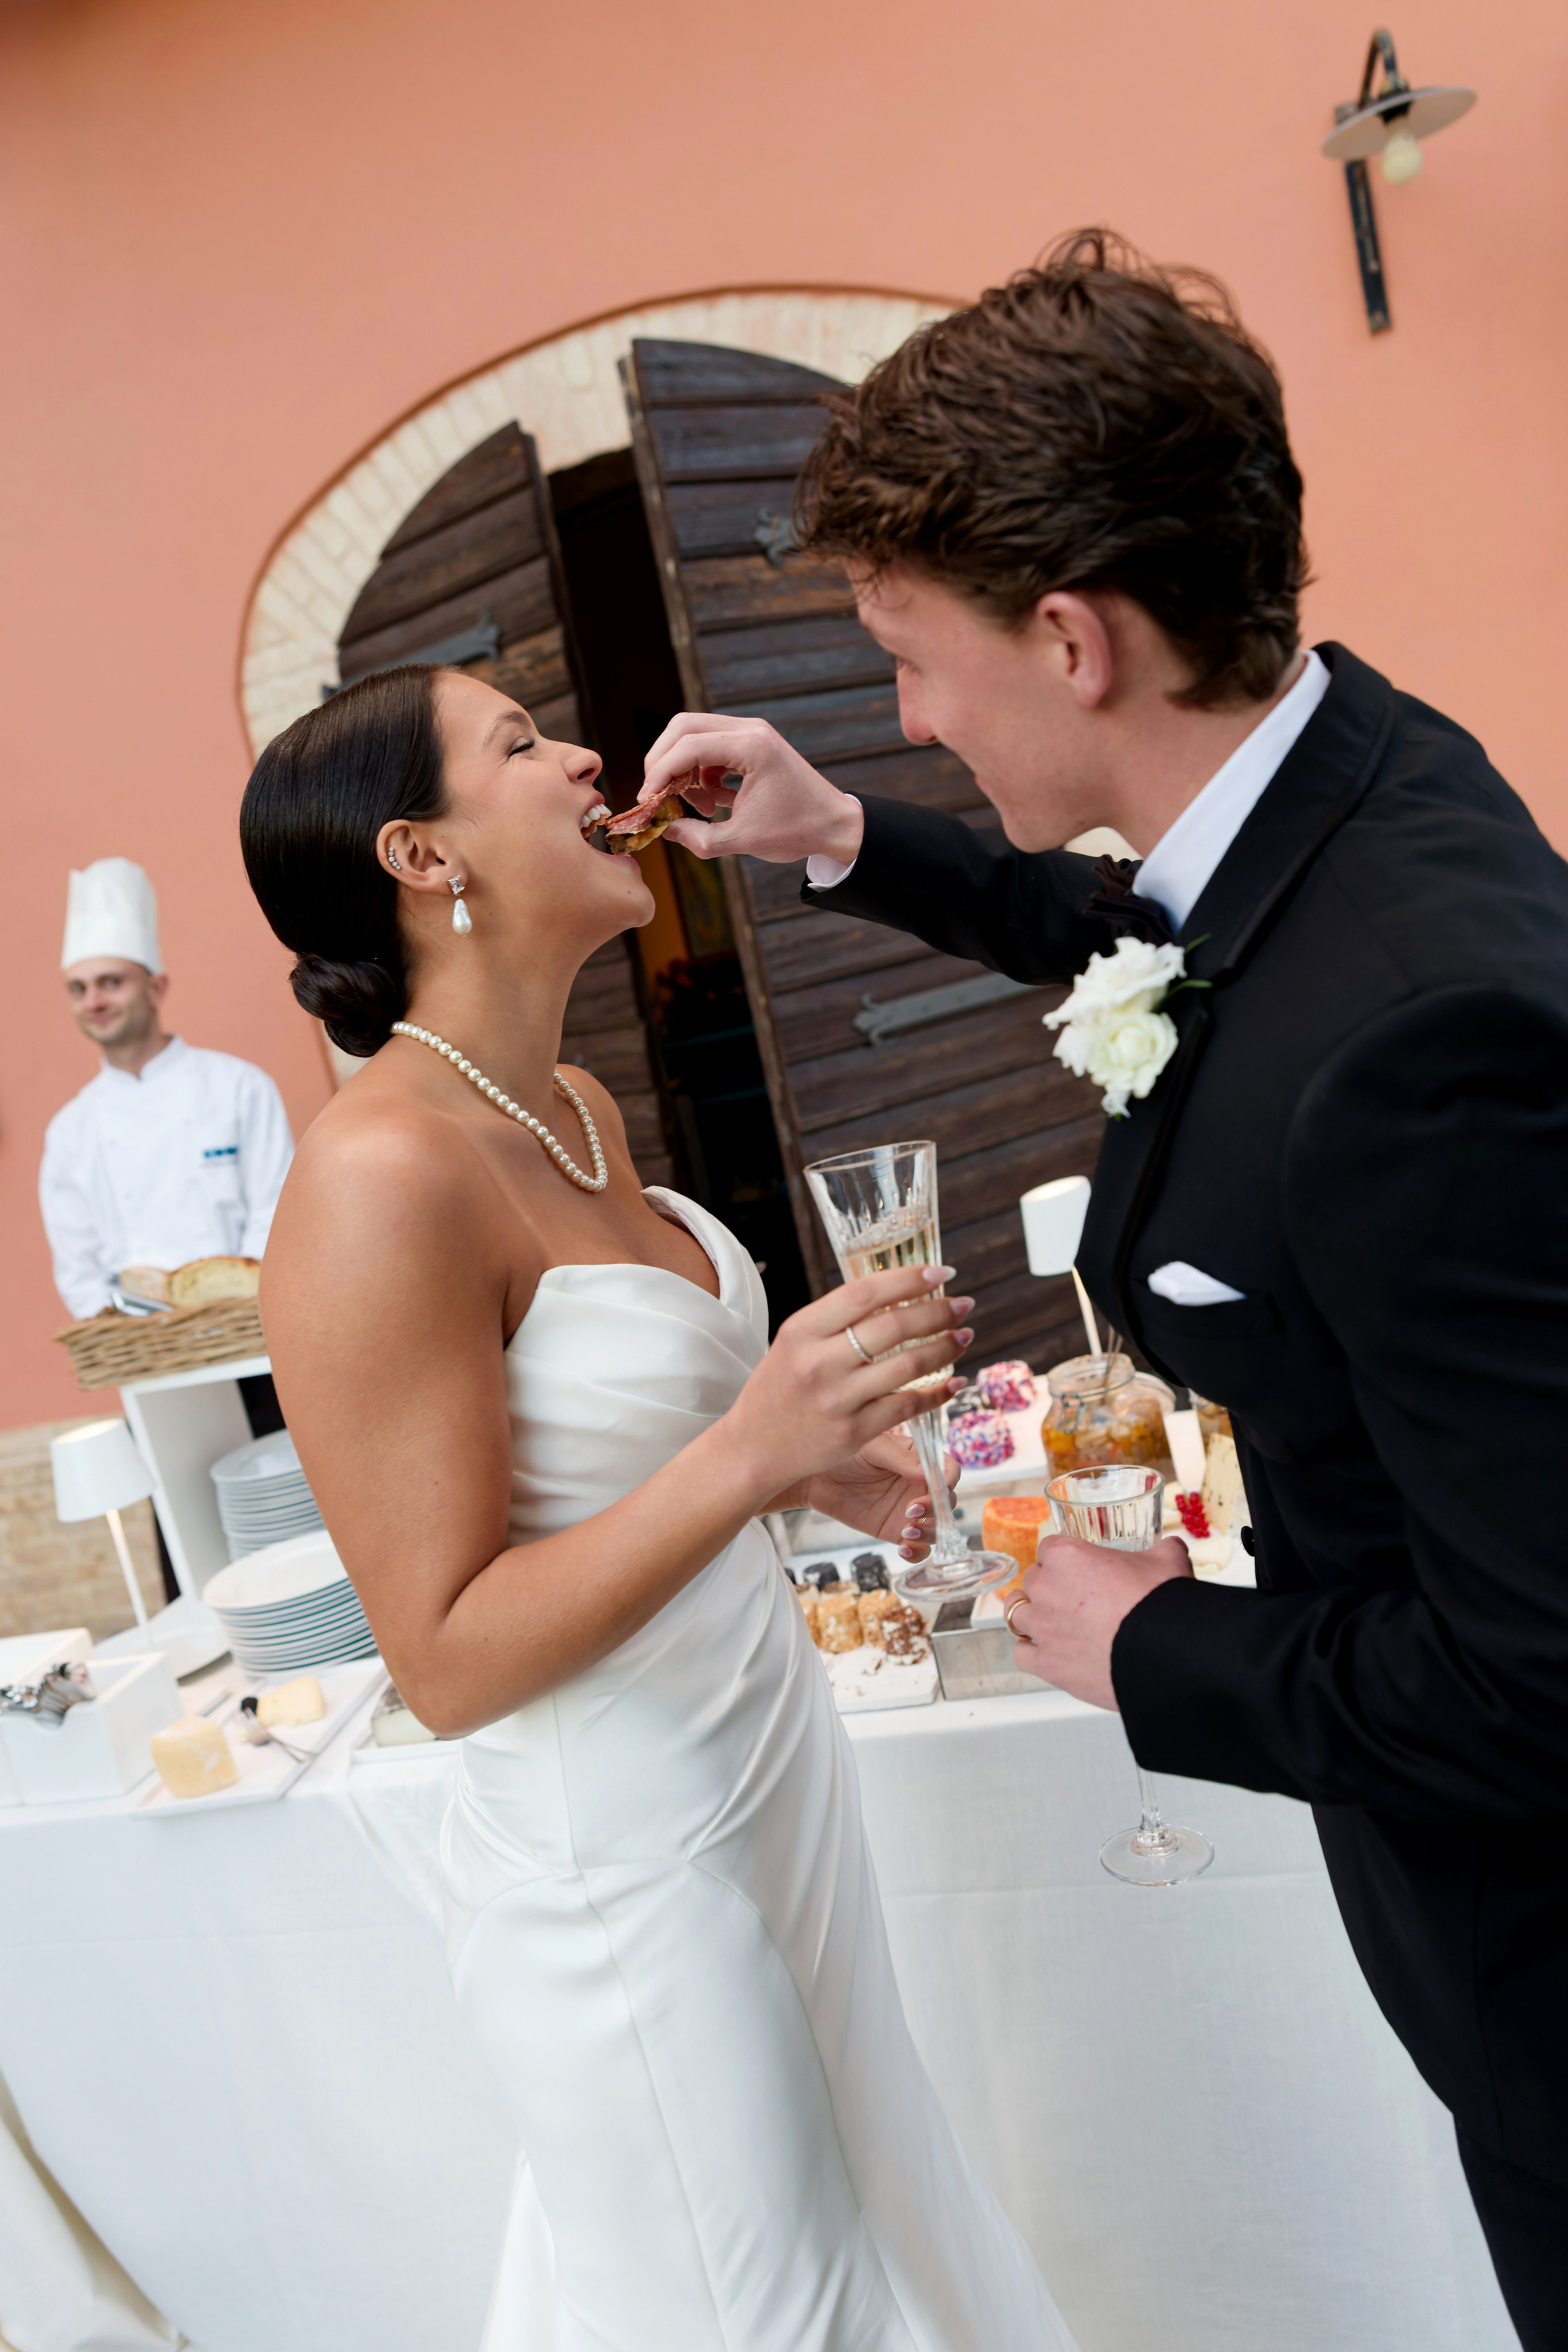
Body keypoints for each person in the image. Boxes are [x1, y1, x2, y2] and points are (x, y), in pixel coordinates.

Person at [634, 233, 1568, 2350]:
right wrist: (846, 836)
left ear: (1068, 637)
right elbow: (1161, 945)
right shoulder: (1350, 779)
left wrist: (1161, 1649)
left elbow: (1543, 1672)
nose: (906, 716)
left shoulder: (1411, 1042)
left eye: (911, 662)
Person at [239, 666, 1077, 2352]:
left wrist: (806, 1460)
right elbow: (445, 1658)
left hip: (762, 1789)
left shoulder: (572, 1108)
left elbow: (599, 1460)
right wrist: (750, 1450)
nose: (581, 760)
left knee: (882, 2245)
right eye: (518, 744)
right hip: (626, 1877)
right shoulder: (375, 1175)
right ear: (422, 855)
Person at [42, 858, 295, 1318]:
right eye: (78, 989)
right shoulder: (69, 1131)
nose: (94, 1001)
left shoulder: (239, 1087)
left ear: (156, 988)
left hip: (252, 1327)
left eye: (111, 983)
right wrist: (133, 1332)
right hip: (143, 1348)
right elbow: (78, 1271)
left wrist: (235, 1306)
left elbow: (276, 1211)